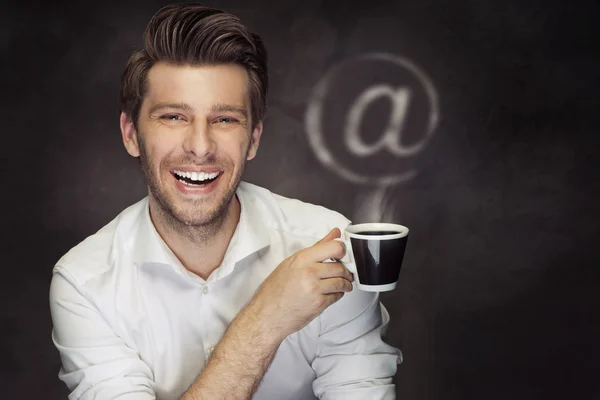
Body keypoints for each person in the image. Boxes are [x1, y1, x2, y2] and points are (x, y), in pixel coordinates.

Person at [49, 3, 402, 399]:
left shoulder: (328, 247)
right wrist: (266, 318)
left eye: (224, 120)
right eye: (173, 117)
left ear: (252, 139)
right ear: (131, 134)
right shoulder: (84, 284)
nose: (200, 147)